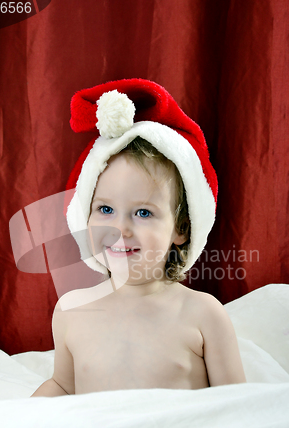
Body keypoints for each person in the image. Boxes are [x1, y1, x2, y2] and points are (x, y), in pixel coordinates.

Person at [31, 79, 246, 397]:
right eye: (105, 208)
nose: (120, 229)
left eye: (143, 213)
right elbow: (63, 385)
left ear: (181, 229)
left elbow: (238, 405)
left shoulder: (203, 314)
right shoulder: (71, 310)